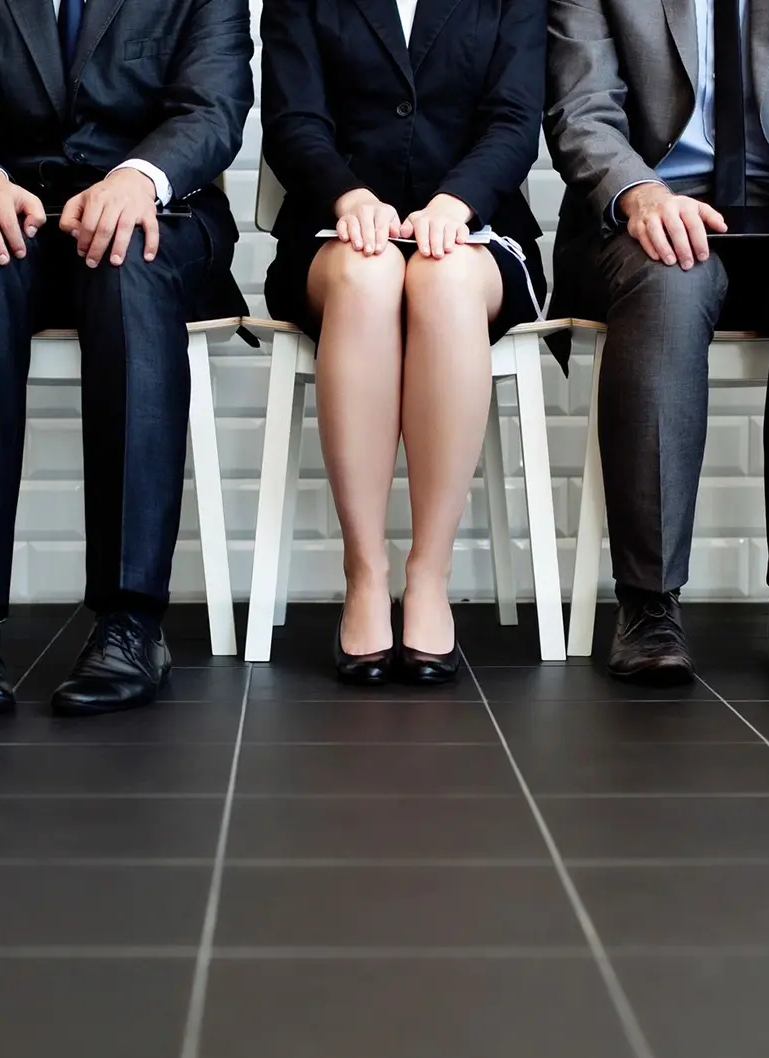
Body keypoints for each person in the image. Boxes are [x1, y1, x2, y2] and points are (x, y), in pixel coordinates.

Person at [0, 0, 254, 717]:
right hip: (13, 216)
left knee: (126, 262)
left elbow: (213, 108)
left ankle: (130, 623)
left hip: (157, 216)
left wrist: (137, 177)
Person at [545, 0, 769, 686]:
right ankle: (648, 604)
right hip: (651, 218)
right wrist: (639, 193)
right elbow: (582, 111)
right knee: (670, 279)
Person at [261, 0, 547, 685]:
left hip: (474, 231)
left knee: (442, 280)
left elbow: (515, 120)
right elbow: (292, 120)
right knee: (369, 276)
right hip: (336, 232)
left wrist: (457, 201)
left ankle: (428, 573)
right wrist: (349, 197)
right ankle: (365, 572)